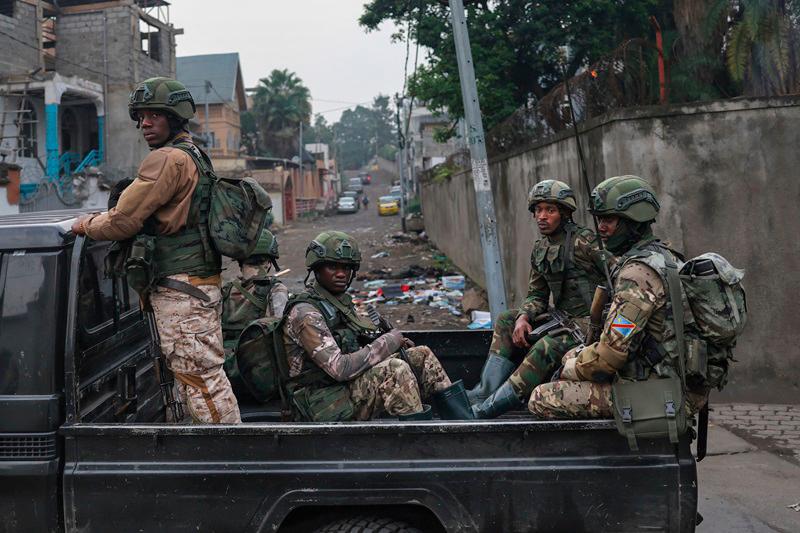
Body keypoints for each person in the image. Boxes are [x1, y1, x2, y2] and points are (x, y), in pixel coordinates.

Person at [71, 77, 240, 424]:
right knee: (194, 381)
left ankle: (232, 460)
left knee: (201, 381)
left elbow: (122, 222)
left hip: (182, 292)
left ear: (174, 117)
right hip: (194, 286)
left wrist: (85, 224)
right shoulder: (195, 155)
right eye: (141, 116)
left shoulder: (167, 159)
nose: (144, 124)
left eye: (154, 115)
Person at [529, 175, 708, 420]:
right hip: (667, 374)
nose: (600, 227)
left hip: (661, 389)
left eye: (609, 220)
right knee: (572, 355)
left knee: (542, 396)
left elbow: (609, 357)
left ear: (632, 222)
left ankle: (601, 455)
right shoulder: (663, 256)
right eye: (600, 219)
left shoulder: (637, 275)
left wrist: (568, 370)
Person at [280, 231, 474, 421]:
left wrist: (389, 343)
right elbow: (340, 368)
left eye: (347, 268)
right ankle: (420, 444)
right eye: (332, 267)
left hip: (340, 391)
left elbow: (354, 346)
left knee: (421, 355)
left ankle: (464, 427)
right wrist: (387, 342)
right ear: (317, 268)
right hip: (319, 402)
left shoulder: (336, 304)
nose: (341, 273)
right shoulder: (306, 313)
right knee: (395, 370)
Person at [469, 179, 611, 419]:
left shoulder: (586, 241)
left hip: (592, 322)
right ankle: (484, 392)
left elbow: (617, 277)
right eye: (538, 210)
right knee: (506, 319)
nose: (542, 216)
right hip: (563, 317)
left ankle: (489, 408)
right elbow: (537, 294)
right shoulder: (540, 248)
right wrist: (524, 317)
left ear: (565, 213)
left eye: (550, 210)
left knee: (547, 346)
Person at [221, 228, 289, 344]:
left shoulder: (226, 290)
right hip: (257, 357)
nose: (257, 271)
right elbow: (281, 332)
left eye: (260, 263)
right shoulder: (276, 289)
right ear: (269, 264)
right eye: (253, 264)